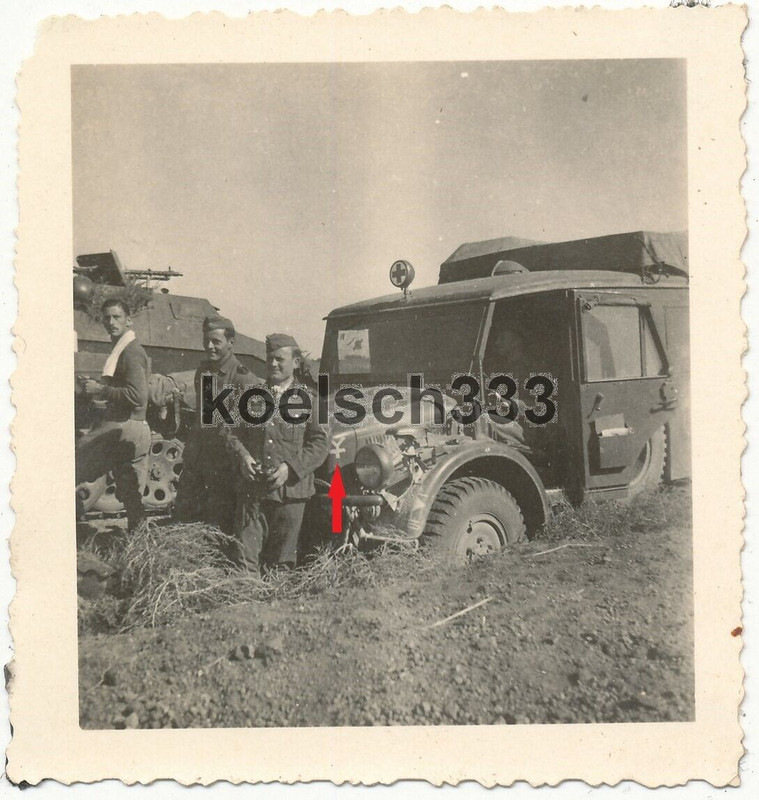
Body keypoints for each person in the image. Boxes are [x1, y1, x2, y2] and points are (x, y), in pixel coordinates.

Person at [224, 333, 328, 571]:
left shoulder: (311, 400)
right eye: (270, 358)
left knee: (281, 563)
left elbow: (320, 443)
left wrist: (290, 468)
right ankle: (247, 592)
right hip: (253, 491)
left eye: (280, 359)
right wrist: (243, 456)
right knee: (244, 560)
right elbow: (231, 433)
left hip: (290, 494)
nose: (272, 364)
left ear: (296, 362)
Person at [173, 313, 260, 534]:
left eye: (216, 342)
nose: (210, 346)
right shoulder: (204, 371)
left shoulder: (243, 379)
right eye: (206, 341)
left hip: (225, 464)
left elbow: (250, 430)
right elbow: (203, 418)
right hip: (198, 458)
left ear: (231, 342)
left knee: (220, 520)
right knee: (187, 514)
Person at [76, 298, 151, 532]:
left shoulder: (130, 352)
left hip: (124, 426)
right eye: (107, 317)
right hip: (128, 426)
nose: (111, 322)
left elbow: (137, 396)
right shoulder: (122, 348)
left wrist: (100, 389)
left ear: (129, 320)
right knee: (130, 493)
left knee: (75, 465)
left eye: (117, 317)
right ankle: (139, 540)